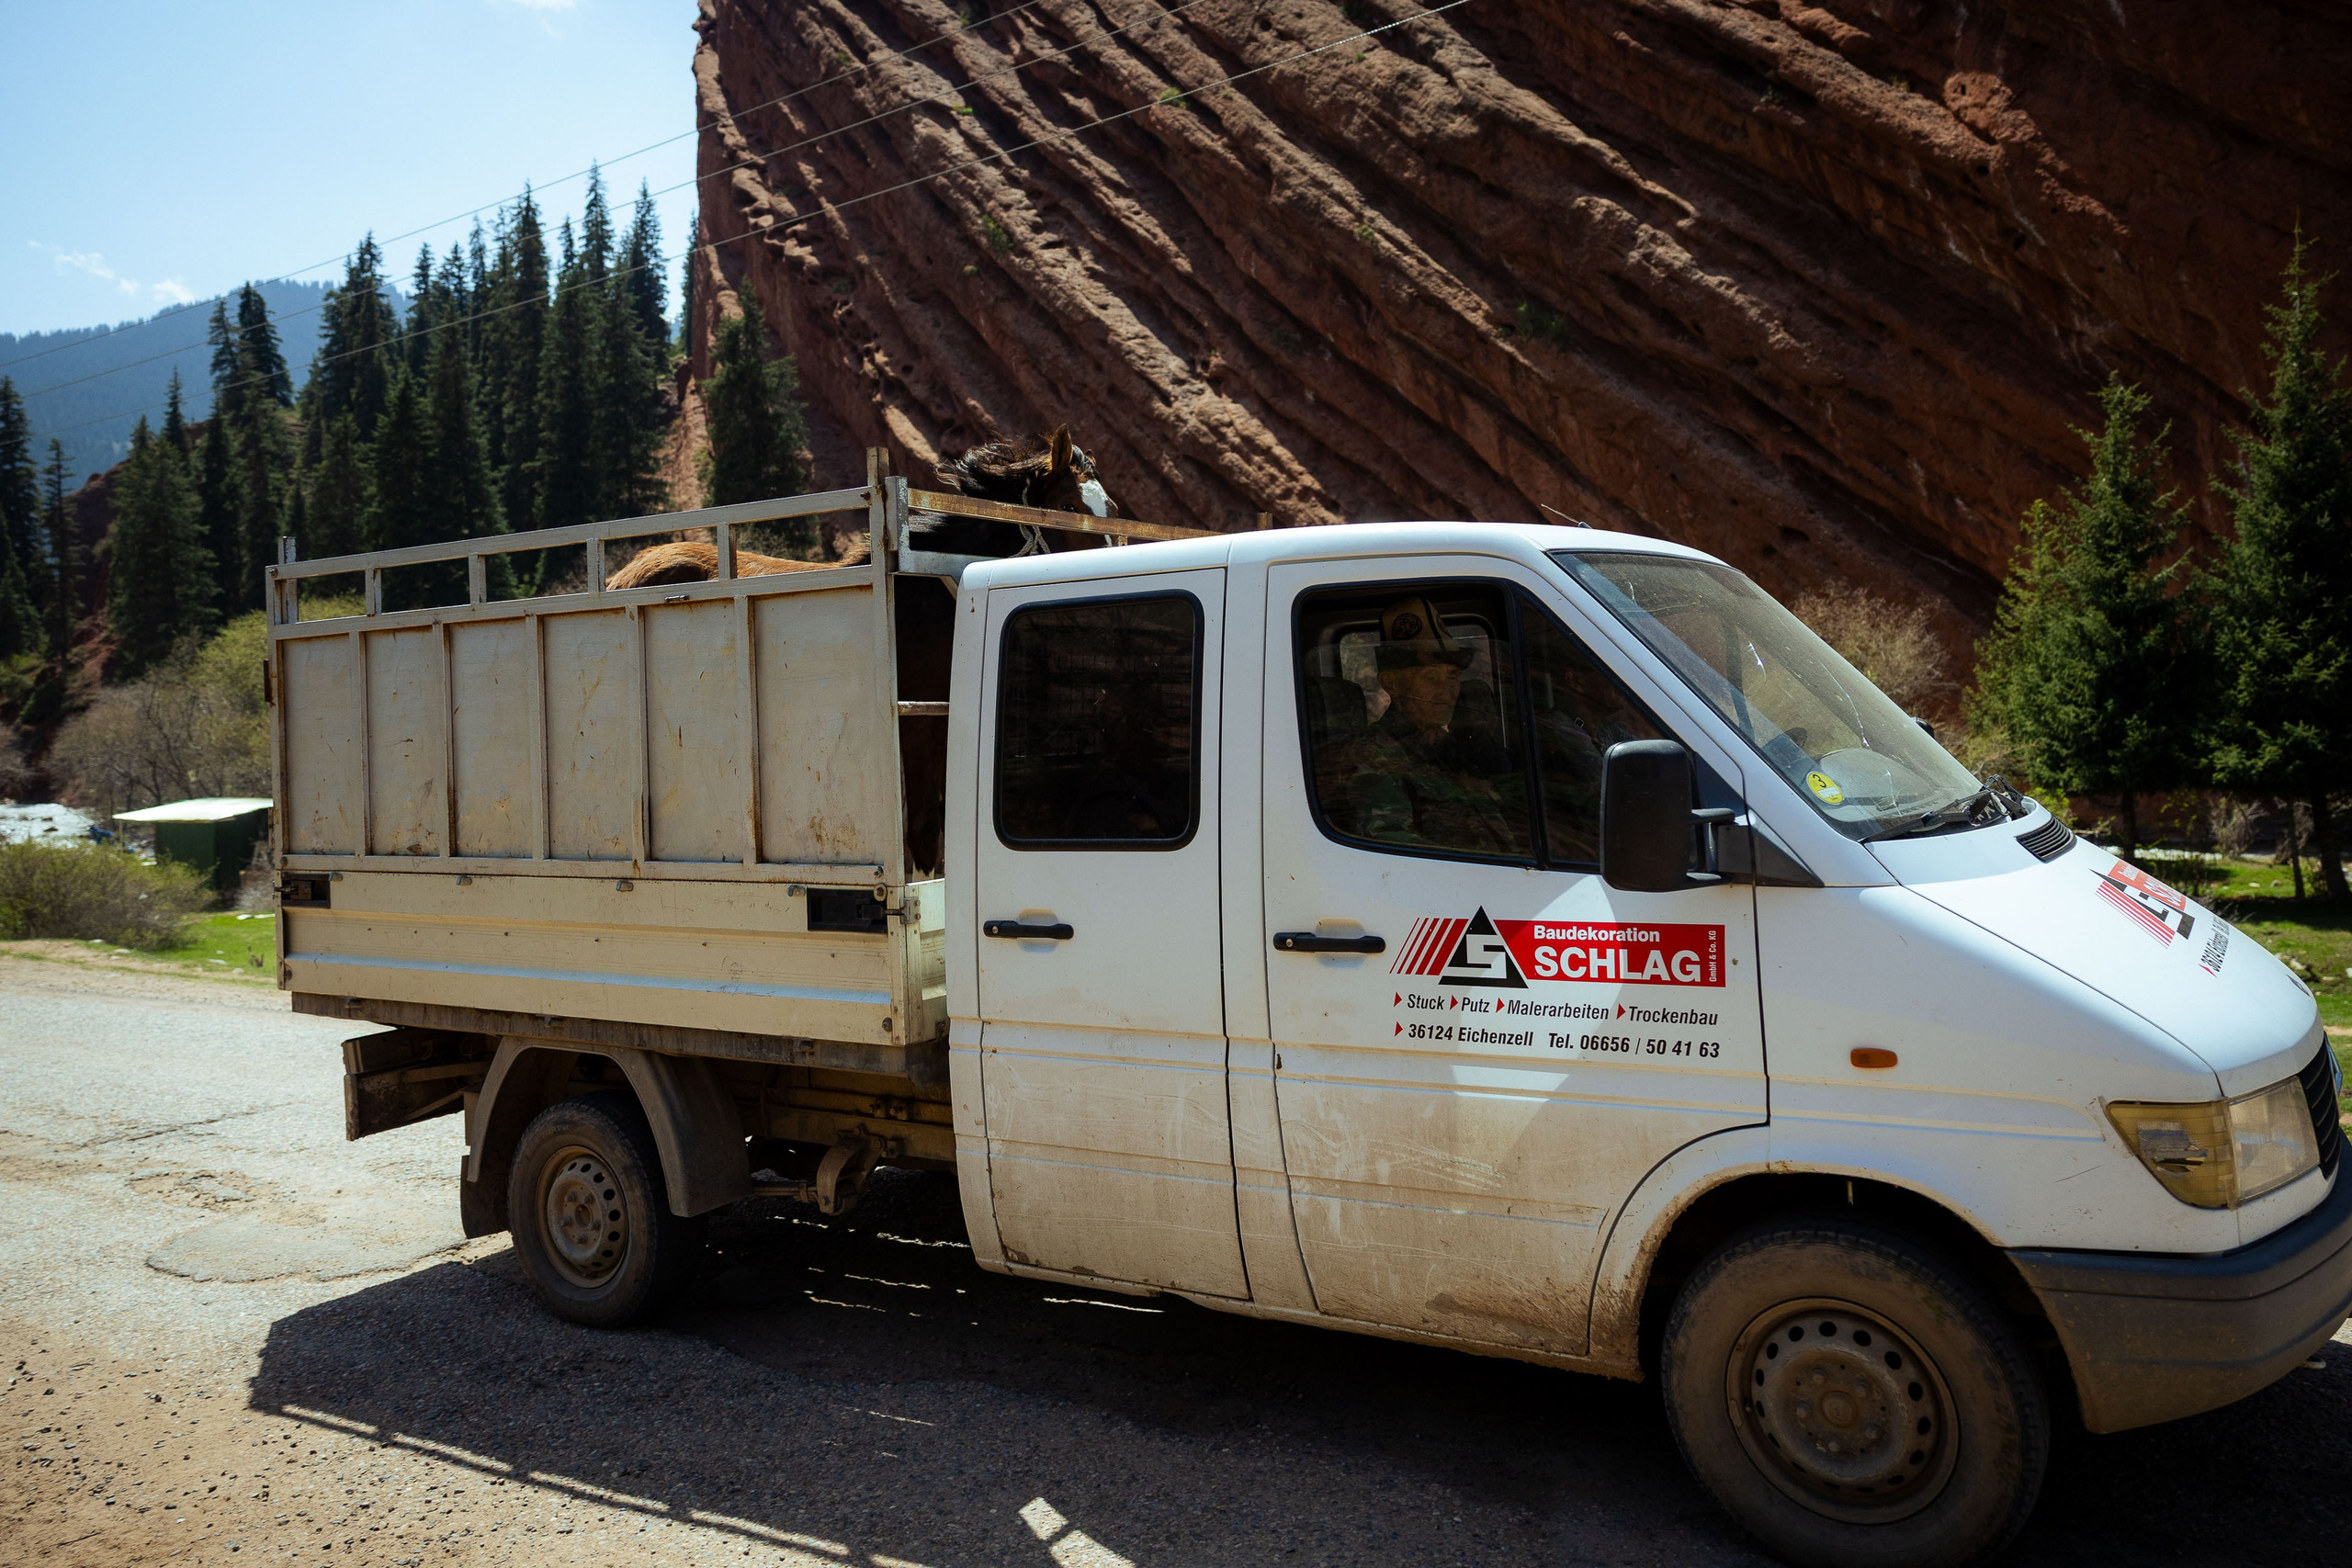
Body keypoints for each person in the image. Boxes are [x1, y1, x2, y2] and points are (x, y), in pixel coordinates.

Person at [1318, 594, 1524, 855]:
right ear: (1392, 684)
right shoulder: (1372, 757)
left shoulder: (1453, 749)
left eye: (1452, 677)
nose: (1447, 692)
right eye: (1430, 678)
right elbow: (1389, 850)